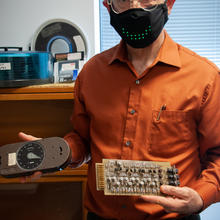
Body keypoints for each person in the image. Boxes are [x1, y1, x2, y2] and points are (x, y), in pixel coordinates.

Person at [19, 0, 220, 219]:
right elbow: (84, 141)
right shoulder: (91, 73)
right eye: (124, 0)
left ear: (169, 4)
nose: (134, 7)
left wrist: (201, 197)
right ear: (108, 6)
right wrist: (54, 154)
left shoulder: (204, 77)